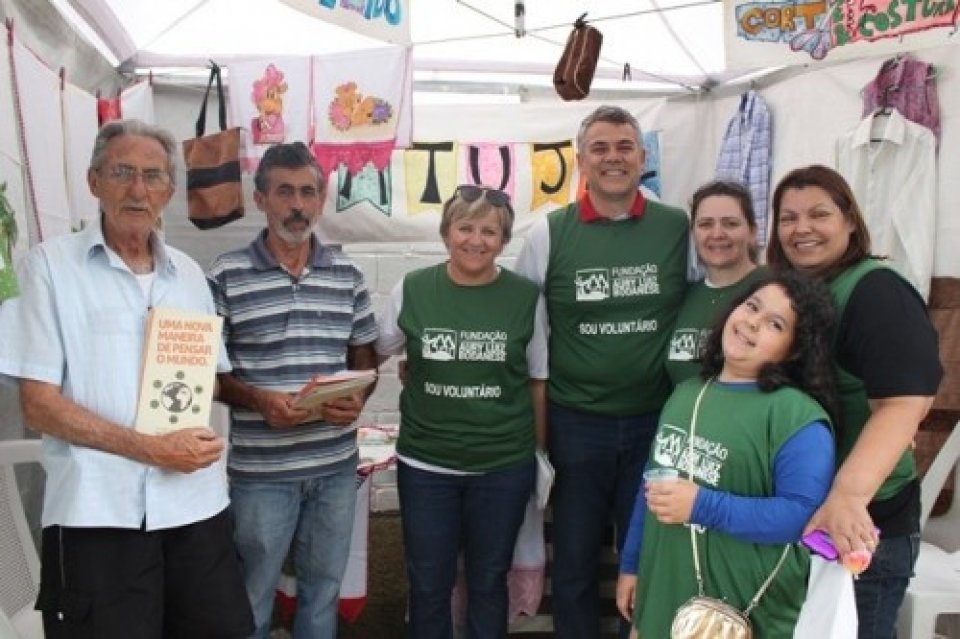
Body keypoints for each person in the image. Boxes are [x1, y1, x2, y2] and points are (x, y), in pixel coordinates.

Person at [0, 119, 254, 638]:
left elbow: (204, 379)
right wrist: (151, 449)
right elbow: (38, 405)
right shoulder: (48, 269)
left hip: (194, 506)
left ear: (169, 191)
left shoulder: (188, 274)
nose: (138, 189)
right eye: (122, 172)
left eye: (153, 176)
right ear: (94, 181)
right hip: (99, 514)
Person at [514, 104, 689, 638]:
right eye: (601, 148)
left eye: (624, 147)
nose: (613, 158)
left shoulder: (677, 226)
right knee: (575, 560)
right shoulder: (547, 233)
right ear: (580, 160)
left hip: (656, 424)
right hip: (577, 424)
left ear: (642, 157)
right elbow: (527, 332)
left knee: (653, 557)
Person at [207, 142, 378, 639]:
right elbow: (206, 375)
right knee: (252, 594)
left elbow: (363, 354)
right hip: (262, 474)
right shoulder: (225, 275)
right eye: (285, 192)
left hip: (334, 468)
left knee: (323, 591)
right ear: (260, 199)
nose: (298, 205)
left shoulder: (347, 275)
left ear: (322, 199)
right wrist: (258, 399)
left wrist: (357, 397)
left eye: (308, 192)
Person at [766, 164, 943, 639]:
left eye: (818, 214)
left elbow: (907, 402)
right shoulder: (791, 293)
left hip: (862, 530)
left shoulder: (876, 291)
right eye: (788, 218)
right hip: (801, 525)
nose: (802, 228)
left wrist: (849, 495)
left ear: (850, 221)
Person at [617, 272, 839, 638]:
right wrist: (632, 564)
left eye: (775, 324)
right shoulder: (685, 393)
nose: (752, 321)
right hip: (662, 592)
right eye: (752, 306)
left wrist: (703, 505)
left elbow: (804, 516)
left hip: (741, 610)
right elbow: (650, 484)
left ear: (795, 349)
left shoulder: (796, 415)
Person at [375, 184, 548, 639]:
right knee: (429, 584)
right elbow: (375, 349)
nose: (476, 240)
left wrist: (540, 456)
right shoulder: (412, 288)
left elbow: (536, 380)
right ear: (446, 233)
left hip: (502, 466)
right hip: (427, 464)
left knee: (489, 582)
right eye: (465, 227)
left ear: (505, 240)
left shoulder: (526, 297)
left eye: (489, 231)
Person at [666, 179, 768, 385]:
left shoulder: (774, 288)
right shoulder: (686, 295)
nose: (717, 234)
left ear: (753, 232)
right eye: (705, 224)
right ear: (693, 233)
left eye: (730, 223)